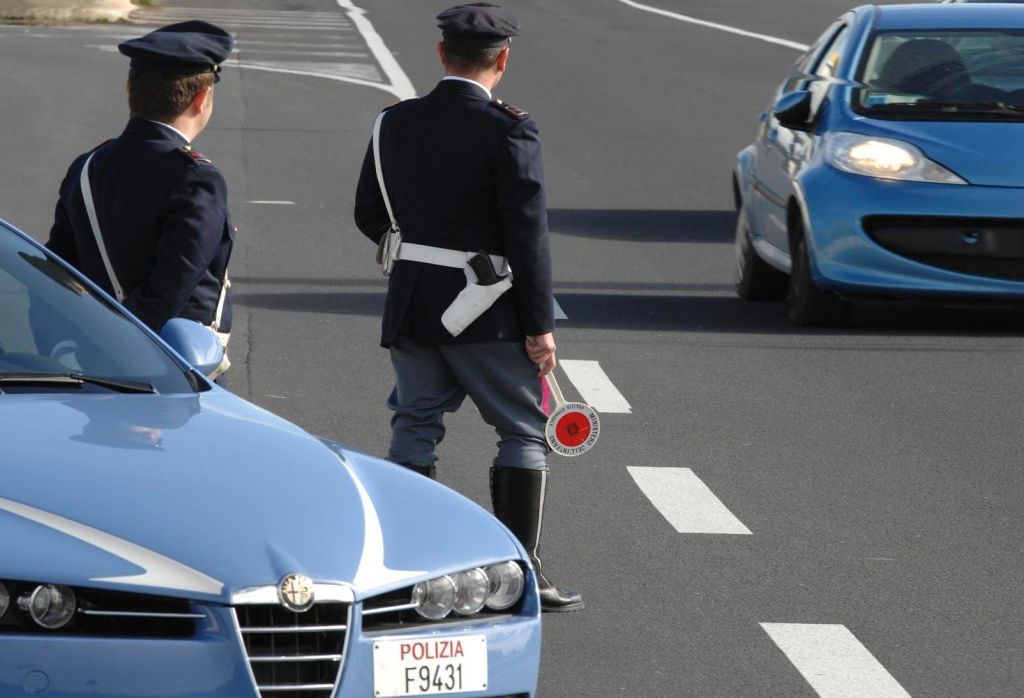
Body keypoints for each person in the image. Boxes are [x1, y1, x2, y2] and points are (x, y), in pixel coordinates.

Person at [354, 2, 582, 612]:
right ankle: (523, 570)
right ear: (501, 59)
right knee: (521, 431)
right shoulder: (510, 128)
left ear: (440, 54)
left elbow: (369, 215)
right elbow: (527, 233)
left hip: (412, 305)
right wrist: (539, 326)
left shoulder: (393, 122)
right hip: (490, 311)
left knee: (415, 428)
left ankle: (402, 569)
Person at [46, 21, 235, 380]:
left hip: (91, 359)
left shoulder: (89, 165)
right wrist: (124, 350)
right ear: (201, 99)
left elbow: (55, 271)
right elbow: (171, 288)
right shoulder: (195, 179)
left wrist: (69, 348)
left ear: (130, 88)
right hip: (171, 368)